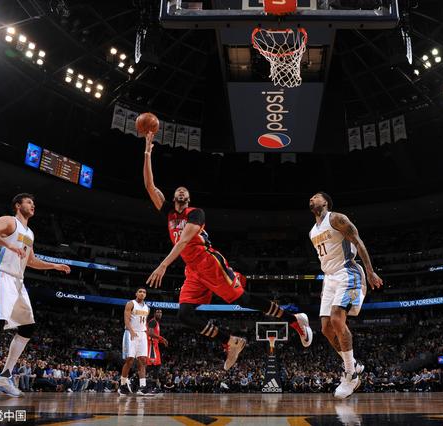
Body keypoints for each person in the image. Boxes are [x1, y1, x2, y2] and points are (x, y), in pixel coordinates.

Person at [142, 132, 312, 370]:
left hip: (209, 262)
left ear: (188, 198)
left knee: (242, 299)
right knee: (184, 315)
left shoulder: (195, 213)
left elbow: (182, 243)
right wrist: (148, 151)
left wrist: (163, 265)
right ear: (173, 197)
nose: (181, 191)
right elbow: (149, 186)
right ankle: (229, 341)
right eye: (178, 190)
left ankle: (294, 320)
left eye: (185, 191)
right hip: (193, 270)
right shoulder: (169, 212)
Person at [0, 193, 71, 399]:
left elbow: (31, 260)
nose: (33, 205)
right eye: (29, 202)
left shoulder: (30, 232)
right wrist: (8, 244)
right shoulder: (9, 221)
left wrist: (53, 265)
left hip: (17, 281)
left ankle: (4, 376)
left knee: (28, 327)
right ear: (18, 206)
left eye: (33, 203)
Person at [308, 192, 383, 399]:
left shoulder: (337, 218)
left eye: (316, 196)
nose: (312, 199)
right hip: (329, 278)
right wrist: (326, 285)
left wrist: (369, 271)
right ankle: (355, 364)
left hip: (347, 271)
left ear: (326, 202)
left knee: (337, 318)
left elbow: (358, 242)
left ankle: (350, 374)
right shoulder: (312, 231)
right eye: (311, 197)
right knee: (325, 329)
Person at [119, 288, 151, 396]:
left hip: (142, 334)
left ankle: (143, 386)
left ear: (145, 295)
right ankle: (122, 385)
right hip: (130, 333)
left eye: (144, 292)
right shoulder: (130, 304)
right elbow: (126, 319)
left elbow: (144, 323)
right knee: (130, 360)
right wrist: (131, 331)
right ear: (136, 293)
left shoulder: (147, 308)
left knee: (142, 360)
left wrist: (146, 334)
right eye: (140, 291)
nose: (142, 293)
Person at [147, 309, 169, 391]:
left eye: (161, 312)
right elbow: (150, 333)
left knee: (157, 366)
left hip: (155, 345)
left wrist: (161, 341)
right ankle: (137, 381)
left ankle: (154, 386)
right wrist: (162, 338)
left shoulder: (157, 323)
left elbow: (155, 335)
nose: (159, 314)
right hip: (151, 346)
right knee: (151, 366)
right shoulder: (153, 322)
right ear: (154, 314)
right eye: (158, 312)